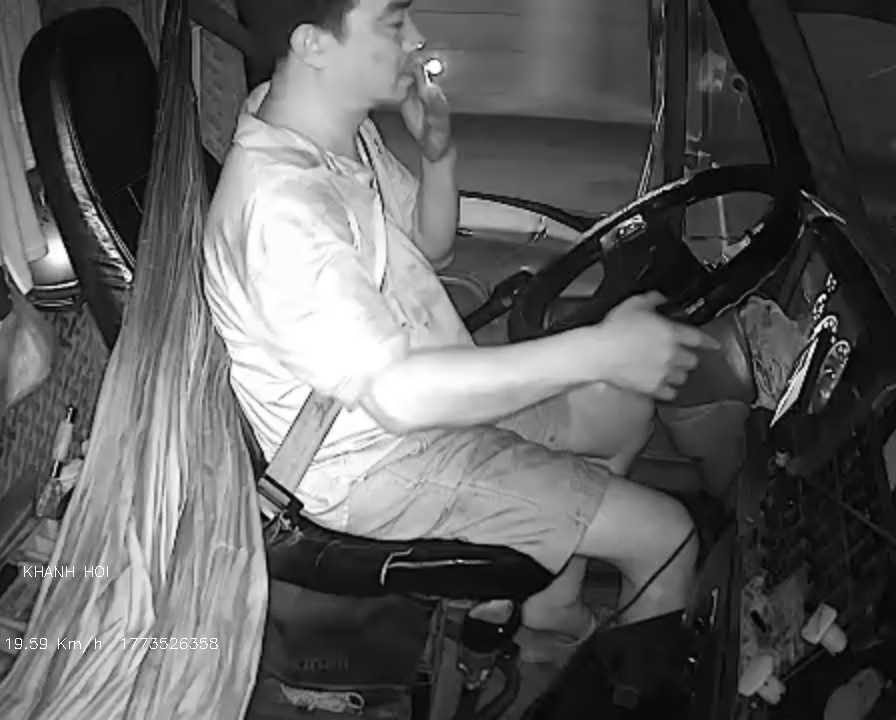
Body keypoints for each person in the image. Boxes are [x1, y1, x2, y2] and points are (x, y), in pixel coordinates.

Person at [205, 0, 718, 707]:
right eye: (393, 22)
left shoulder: (324, 128)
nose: (416, 38)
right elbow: (396, 396)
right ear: (313, 45)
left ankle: (552, 608)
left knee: (626, 410)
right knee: (668, 536)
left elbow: (430, 244)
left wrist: (438, 153)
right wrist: (597, 350)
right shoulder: (284, 210)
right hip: (370, 461)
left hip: (413, 395)